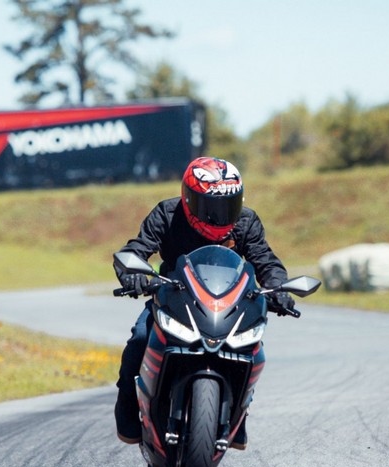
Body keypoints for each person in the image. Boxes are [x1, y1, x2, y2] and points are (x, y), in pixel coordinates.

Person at [113, 156, 294, 449]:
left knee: (253, 347)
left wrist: (278, 289)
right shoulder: (166, 213)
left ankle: (239, 413)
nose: (219, 215)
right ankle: (126, 410)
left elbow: (267, 262)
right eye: (209, 207)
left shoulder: (247, 221)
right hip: (174, 298)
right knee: (140, 338)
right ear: (188, 199)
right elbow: (136, 249)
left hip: (229, 304)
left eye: (227, 206)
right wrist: (131, 274)